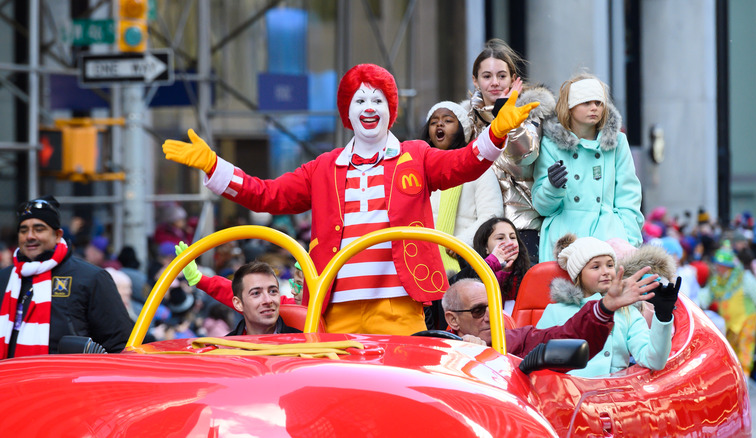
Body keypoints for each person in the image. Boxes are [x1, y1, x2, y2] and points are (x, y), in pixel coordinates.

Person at [162, 63, 539, 335]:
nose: (369, 108)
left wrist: (496, 134)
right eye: (360, 101)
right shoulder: (323, 167)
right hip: (335, 307)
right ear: (348, 112)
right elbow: (268, 195)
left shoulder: (416, 155)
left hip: (400, 304)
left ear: (390, 109)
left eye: (377, 100)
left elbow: (463, 164)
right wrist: (214, 167)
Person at [0, 196, 133, 357]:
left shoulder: (91, 278)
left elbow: (120, 344)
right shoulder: (5, 278)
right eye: (23, 230)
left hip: (70, 379)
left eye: (39, 229)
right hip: (9, 380)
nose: (30, 236)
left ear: (57, 235)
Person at [532, 73, 643, 262]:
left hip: (609, 239)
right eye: (586, 102)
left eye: (599, 103)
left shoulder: (617, 142)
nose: (594, 108)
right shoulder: (550, 144)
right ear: (570, 107)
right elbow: (542, 207)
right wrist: (552, 187)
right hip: (565, 240)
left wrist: (628, 240)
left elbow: (628, 196)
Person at [535, 234, 679, 377]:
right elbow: (538, 359)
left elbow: (654, 361)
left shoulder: (627, 311)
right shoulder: (555, 311)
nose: (606, 272)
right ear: (579, 274)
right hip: (570, 394)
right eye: (596, 266)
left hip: (615, 395)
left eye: (610, 265)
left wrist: (663, 316)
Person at [467, 38, 557, 264]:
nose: (494, 82)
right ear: (475, 81)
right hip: (480, 229)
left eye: (502, 75)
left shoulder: (529, 112)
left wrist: (507, 119)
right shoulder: (465, 121)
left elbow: (525, 156)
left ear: (513, 79)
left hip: (523, 226)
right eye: (487, 76)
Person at [442, 273, 658, 358]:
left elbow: (568, 337)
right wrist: (463, 350)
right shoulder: (436, 349)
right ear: (452, 320)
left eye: (494, 308)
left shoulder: (519, 340)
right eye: (479, 310)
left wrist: (605, 308)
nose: (490, 317)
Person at [421, 101, 503, 274]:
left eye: (448, 120)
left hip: (464, 260)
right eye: (434, 122)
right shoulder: (417, 169)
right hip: (423, 261)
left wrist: (461, 243)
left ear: (462, 130)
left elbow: (491, 215)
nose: (440, 124)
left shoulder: (478, 169)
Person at [699, 241, 756, 376]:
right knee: (732, 357)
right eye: (717, 265)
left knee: (745, 353)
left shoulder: (743, 277)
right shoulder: (715, 282)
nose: (718, 268)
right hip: (729, 324)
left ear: (728, 266)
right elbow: (704, 296)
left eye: (721, 265)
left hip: (746, 319)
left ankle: (745, 382)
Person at [450, 217, 531, 314]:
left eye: (513, 237)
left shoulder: (531, 275)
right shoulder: (469, 273)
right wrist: (491, 263)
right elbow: (454, 292)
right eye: (500, 238)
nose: (509, 243)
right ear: (486, 248)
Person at [228, 260, 301, 336]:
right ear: (238, 303)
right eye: (256, 293)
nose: (268, 300)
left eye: (273, 291)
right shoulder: (225, 346)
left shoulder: (304, 343)